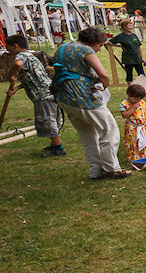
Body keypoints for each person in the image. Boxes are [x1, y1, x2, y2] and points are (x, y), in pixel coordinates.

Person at [51, 27, 130, 180]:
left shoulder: (63, 47)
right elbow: (103, 74)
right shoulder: (86, 50)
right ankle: (111, 168)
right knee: (109, 128)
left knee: (87, 133)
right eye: (100, 45)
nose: (100, 49)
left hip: (63, 95)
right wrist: (103, 86)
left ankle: (96, 170)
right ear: (93, 42)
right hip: (80, 96)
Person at [4, 33, 65, 157]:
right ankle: (54, 144)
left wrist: (11, 74)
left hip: (43, 95)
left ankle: (58, 148)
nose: (7, 51)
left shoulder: (21, 56)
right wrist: (17, 88)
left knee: (48, 120)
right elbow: (31, 77)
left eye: (8, 48)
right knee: (51, 118)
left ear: (15, 46)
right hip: (48, 91)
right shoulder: (31, 56)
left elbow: (17, 65)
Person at [119, 83, 146, 163]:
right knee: (134, 143)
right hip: (132, 129)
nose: (138, 101)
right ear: (129, 95)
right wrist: (132, 109)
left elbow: (143, 110)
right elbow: (124, 115)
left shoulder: (141, 102)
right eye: (136, 99)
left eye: (139, 99)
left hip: (142, 127)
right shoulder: (124, 104)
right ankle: (135, 160)